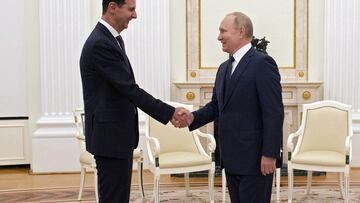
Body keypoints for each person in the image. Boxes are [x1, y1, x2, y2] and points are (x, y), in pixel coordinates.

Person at [79, 0, 188, 202]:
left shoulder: (112, 40)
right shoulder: (101, 43)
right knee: (114, 198)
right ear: (112, 7)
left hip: (116, 137)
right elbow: (129, 89)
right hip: (110, 139)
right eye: (131, 9)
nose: (135, 15)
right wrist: (169, 112)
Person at [181, 12, 284, 202]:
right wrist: (192, 118)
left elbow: (274, 113)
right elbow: (216, 106)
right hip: (231, 158)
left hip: (256, 161)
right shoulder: (223, 68)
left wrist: (270, 154)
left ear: (241, 31)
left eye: (223, 31)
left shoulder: (263, 63)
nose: (219, 37)